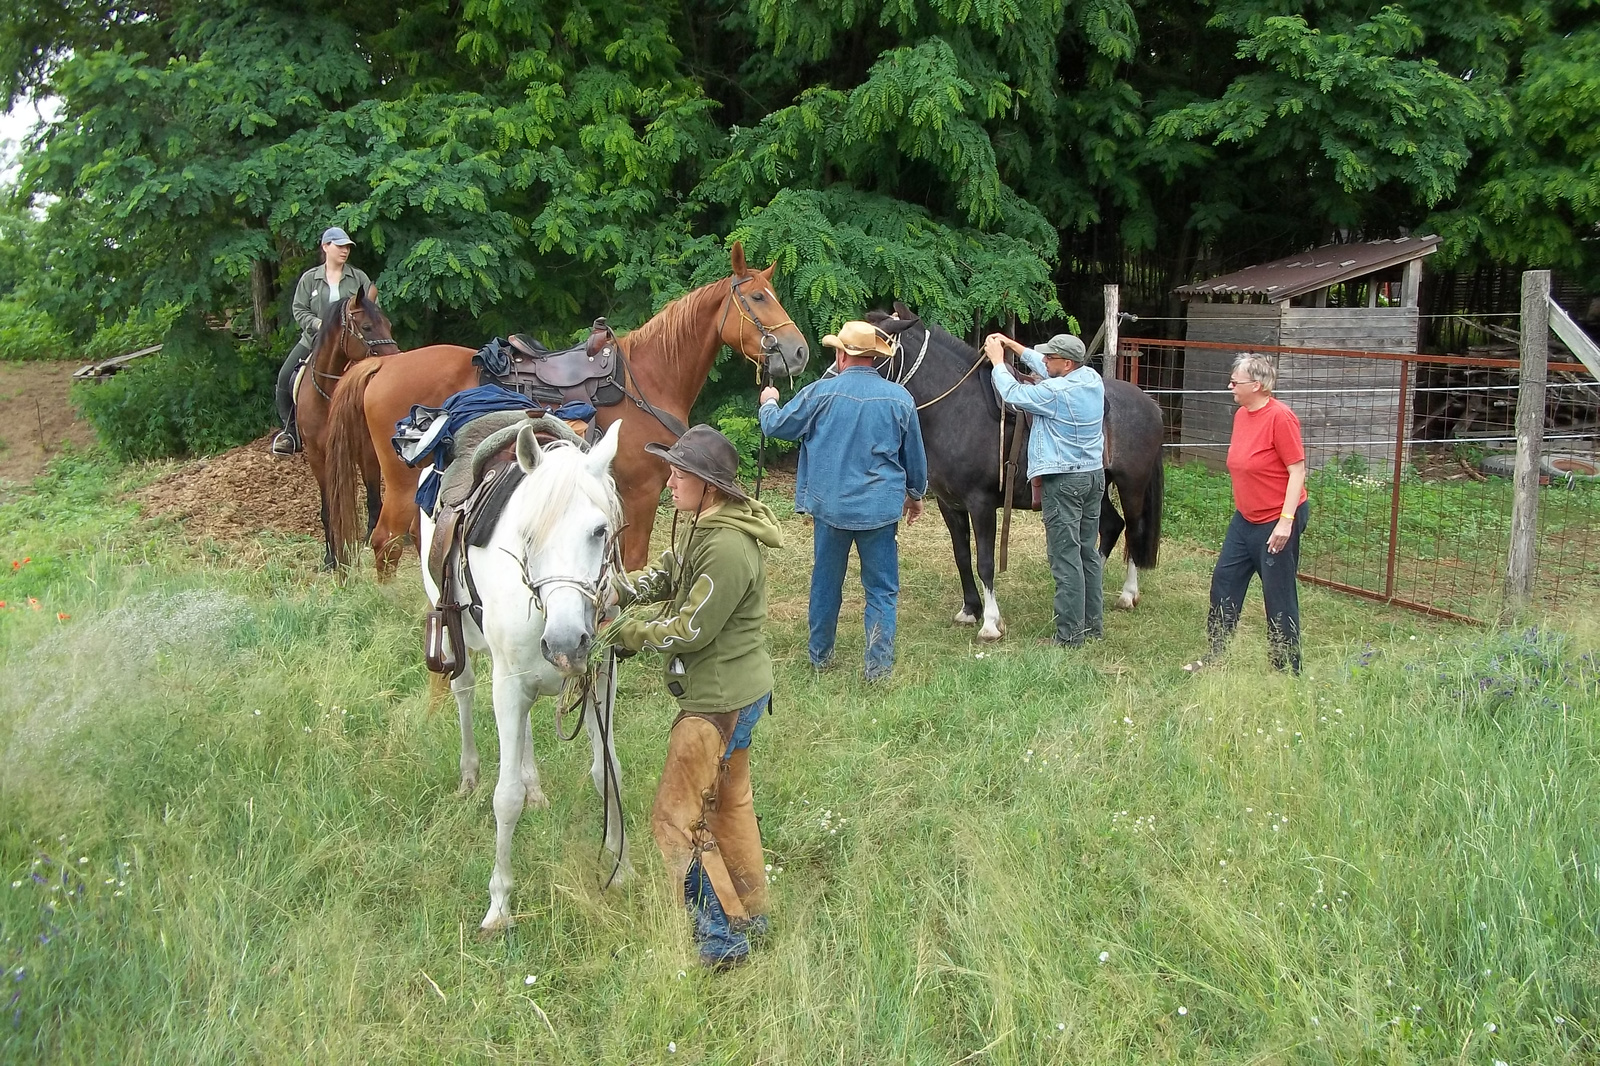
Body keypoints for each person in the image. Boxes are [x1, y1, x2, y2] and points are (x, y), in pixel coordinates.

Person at [607, 425, 784, 969]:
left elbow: (692, 630)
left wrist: (628, 633)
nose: (670, 480)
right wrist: (619, 588)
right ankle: (751, 911)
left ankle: (721, 939)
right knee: (730, 805)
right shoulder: (706, 526)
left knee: (675, 819)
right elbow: (672, 574)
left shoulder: (727, 546)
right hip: (737, 693)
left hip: (718, 704)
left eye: (681, 473)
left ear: (710, 485)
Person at [758, 320, 927, 681]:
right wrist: (915, 495)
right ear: (874, 358)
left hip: (830, 508)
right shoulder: (900, 399)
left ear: (841, 354)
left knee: (825, 582)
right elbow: (914, 457)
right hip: (879, 511)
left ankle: (820, 657)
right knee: (881, 589)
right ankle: (877, 669)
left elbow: (777, 427)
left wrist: (769, 404)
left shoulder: (820, 393)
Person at [1185, 352, 1309, 674]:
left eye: (1235, 382)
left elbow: (1297, 471)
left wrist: (1285, 522)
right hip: (1245, 519)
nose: (1230, 386)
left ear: (1257, 385)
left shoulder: (1281, 418)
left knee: (1278, 596)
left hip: (1276, 520)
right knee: (1224, 583)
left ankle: (1286, 670)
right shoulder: (1242, 415)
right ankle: (1216, 657)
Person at [984, 330, 1106, 646]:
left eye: (1051, 357)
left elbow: (1012, 393)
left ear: (1066, 363)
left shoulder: (1055, 393)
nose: (1045, 361)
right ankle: (1093, 625)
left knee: (1065, 558)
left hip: (1064, 481)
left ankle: (1069, 637)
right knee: (1086, 552)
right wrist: (1015, 346)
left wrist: (999, 362)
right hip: (1092, 476)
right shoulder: (1091, 378)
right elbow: (1042, 363)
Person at [271, 226, 377, 456]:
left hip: (352, 344)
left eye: (347, 247)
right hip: (314, 341)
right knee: (284, 378)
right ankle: (290, 434)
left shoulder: (359, 278)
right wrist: (318, 324)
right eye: (340, 246)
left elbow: (371, 310)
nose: (345, 251)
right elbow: (299, 309)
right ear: (325, 247)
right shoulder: (310, 279)